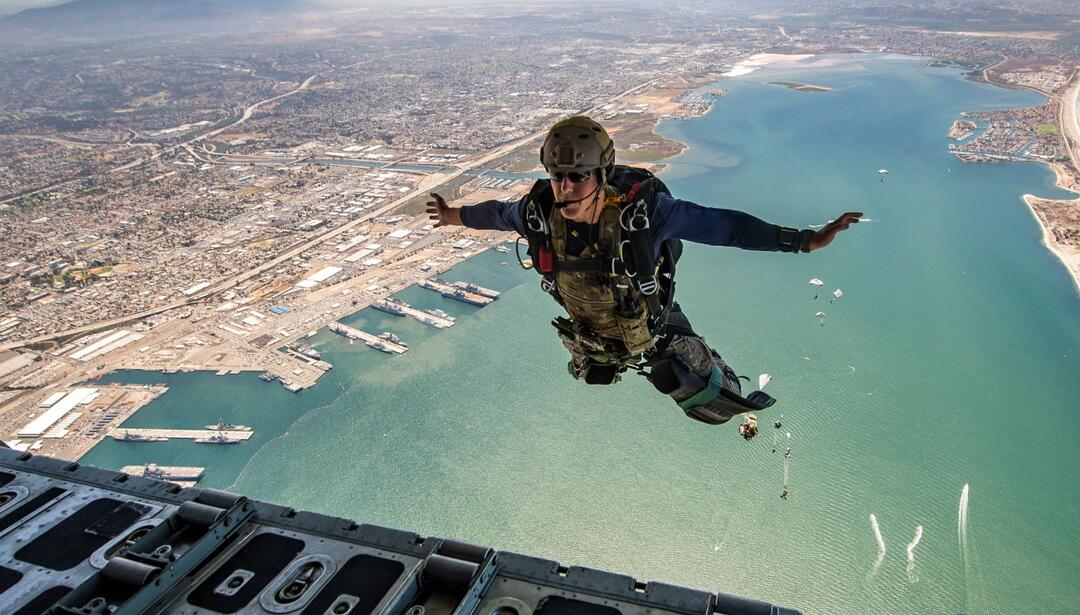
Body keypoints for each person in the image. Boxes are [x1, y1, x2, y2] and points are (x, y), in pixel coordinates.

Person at [426, 115, 861, 426]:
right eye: (557, 175)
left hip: (654, 330)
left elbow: (725, 227)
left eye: (578, 176)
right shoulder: (539, 213)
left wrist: (804, 240)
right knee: (594, 374)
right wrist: (451, 216)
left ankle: (720, 380)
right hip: (590, 332)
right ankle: (602, 360)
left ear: (601, 173)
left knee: (709, 399)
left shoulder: (645, 215)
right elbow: (496, 213)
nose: (565, 188)